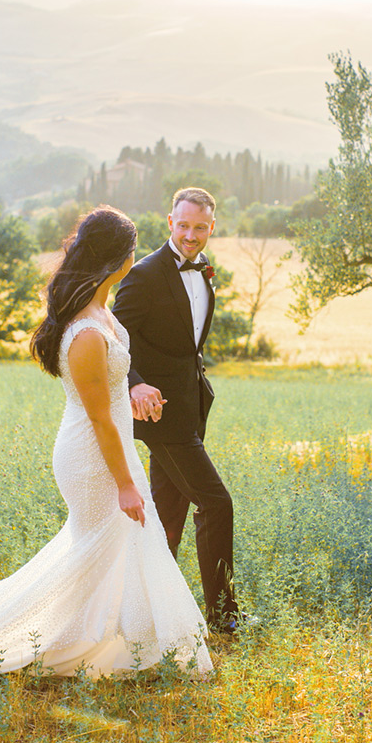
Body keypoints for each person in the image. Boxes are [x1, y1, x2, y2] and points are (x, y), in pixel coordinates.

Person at [0, 205, 212, 679]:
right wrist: (126, 484)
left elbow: (109, 396)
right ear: (118, 260)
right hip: (95, 457)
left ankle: (112, 640)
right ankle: (50, 642)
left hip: (111, 447)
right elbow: (99, 420)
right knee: (107, 546)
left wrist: (134, 396)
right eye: (132, 253)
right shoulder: (87, 333)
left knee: (114, 550)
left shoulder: (101, 311)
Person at [112, 187, 240, 634]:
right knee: (216, 503)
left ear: (211, 228)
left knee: (167, 520)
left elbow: (188, 343)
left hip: (191, 408)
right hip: (159, 415)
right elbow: (115, 341)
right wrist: (135, 383)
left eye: (199, 227)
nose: (190, 235)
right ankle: (224, 617)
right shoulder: (145, 274)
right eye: (183, 225)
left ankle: (147, 611)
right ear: (170, 222)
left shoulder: (205, 271)